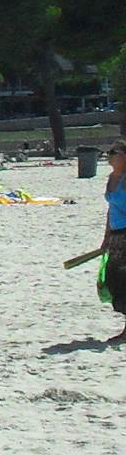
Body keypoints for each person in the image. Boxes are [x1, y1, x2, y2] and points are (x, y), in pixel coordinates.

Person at [101, 143, 126, 344]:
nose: (109, 156)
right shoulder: (111, 178)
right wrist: (106, 237)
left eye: (113, 153)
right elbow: (111, 209)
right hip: (117, 234)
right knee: (113, 278)